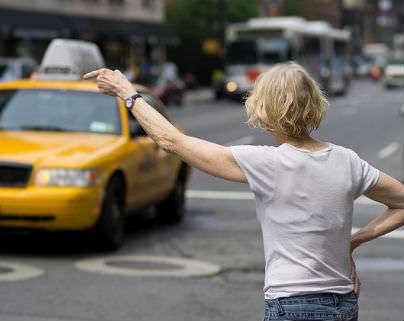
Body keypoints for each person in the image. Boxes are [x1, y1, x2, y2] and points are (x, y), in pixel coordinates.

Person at [84, 62, 404, 321]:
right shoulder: (347, 161)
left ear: (266, 107)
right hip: (344, 305)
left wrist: (127, 92)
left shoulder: (267, 162)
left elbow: (171, 141)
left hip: (293, 305)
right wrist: (353, 242)